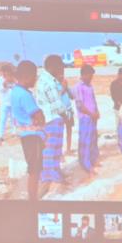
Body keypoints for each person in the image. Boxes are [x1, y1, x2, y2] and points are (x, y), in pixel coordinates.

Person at [7, 60, 46, 201]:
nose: (36, 79)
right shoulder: (25, 95)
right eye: (35, 76)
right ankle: (33, 199)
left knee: (33, 167)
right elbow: (39, 116)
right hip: (33, 136)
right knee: (34, 170)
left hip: (25, 135)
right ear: (27, 76)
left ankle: (33, 196)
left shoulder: (15, 91)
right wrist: (41, 116)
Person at [34, 56, 71, 193]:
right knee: (52, 150)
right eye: (60, 67)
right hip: (52, 119)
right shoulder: (49, 82)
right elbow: (58, 105)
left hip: (48, 119)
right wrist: (66, 114)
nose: (62, 70)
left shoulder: (43, 80)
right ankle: (51, 178)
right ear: (53, 67)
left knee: (51, 150)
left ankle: (52, 174)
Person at [74, 63, 101, 175]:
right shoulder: (78, 87)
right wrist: (91, 114)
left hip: (93, 117)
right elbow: (80, 105)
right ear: (84, 74)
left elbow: (93, 100)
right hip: (85, 118)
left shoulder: (90, 86)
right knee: (85, 141)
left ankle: (93, 159)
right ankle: (85, 164)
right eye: (90, 75)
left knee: (93, 139)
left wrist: (97, 112)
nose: (91, 78)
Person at [0, 62, 16, 139]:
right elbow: (1, 89)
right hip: (4, 103)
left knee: (13, 119)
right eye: (4, 71)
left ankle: (14, 132)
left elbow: (16, 88)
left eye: (7, 71)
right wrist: (6, 82)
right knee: (3, 119)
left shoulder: (13, 79)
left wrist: (13, 81)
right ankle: (1, 135)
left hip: (13, 102)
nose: (5, 73)